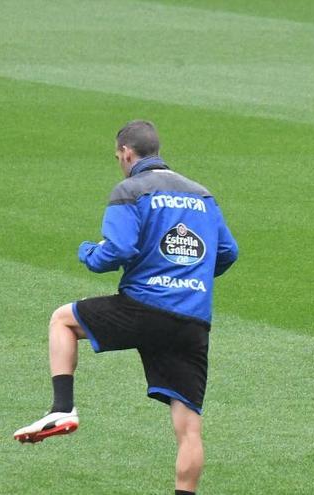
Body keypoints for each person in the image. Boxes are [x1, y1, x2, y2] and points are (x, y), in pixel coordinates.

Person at [13, 120, 239, 495]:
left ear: (127, 153)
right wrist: (187, 277)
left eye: (119, 157)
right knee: (189, 428)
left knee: (63, 321)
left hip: (144, 307)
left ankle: (62, 408)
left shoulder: (130, 190)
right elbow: (228, 252)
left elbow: (116, 251)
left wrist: (88, 253)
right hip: (192, 320)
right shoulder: (202, 195)